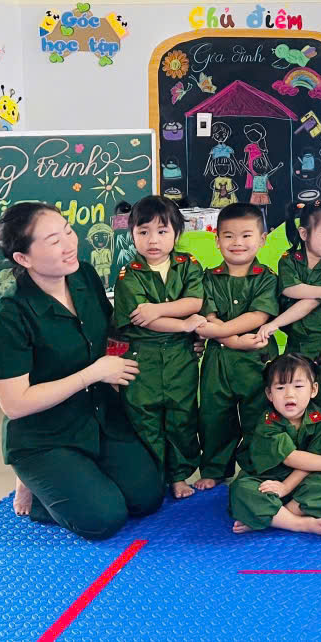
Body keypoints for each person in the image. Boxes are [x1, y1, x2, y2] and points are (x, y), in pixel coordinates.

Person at [0, 203, 163, 540]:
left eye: (68, 231)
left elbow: (111, 329)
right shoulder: (9, 316)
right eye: (53, 241)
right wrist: (93, 373)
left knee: (148, 497)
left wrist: (180, 334)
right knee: (104, 519)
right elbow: (15, 404)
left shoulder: (83, 275)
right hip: (44, 436)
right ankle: (34, 485)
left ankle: (73, 479)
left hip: (98, 417)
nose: (69, 244)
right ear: (23, 258)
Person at [113, 195, 205, 499]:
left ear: (176, 234)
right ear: (132, 234)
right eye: (144, 232)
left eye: (162, 231)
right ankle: (153, 475)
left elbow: (195, 302)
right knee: (145, 417)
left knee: (181, 415)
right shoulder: (128, 274)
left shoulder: (188, 264)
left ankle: (179, 475)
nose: (153, 240)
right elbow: (141, 320)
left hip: (180, 356)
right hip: (144, 357)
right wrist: (182, 324)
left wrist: (157, 309)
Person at [192, 204, 280, 488]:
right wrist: (232, 340)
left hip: (258, 360)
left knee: (259, 415)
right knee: (214, 416)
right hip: (218, 361)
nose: (237, 243)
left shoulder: (267, 278)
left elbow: (259, 316)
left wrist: (220, 332)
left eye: (246, 235)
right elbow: (208, 316)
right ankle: (215, 468)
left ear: (262, 239)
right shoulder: (208, 277)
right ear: (217, 240)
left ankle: (257, 468)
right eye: (228, 236)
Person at [228, 354, 321, 536]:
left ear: (313, 389)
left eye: (298, 386)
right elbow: (291, 458)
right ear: (269, 394)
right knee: (241, 490)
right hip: (266, 479)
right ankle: (297, 523)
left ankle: (272, 518)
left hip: (304, 479)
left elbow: (313, 461)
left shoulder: (320, 418)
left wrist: (287, 486)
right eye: (280, 388)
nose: (289, 394)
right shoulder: (268, 422)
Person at [257, 200, 321, 440]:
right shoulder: (289, 259)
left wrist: (275, 323)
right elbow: (290, 289)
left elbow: (307, 303)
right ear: (304, 233)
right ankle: (298, 453)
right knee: (294, 403)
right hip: (296, 346)